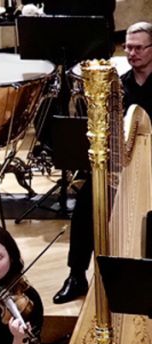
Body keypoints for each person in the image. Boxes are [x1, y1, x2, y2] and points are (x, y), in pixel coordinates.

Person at [52, 21, 152, 304]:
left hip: (149, 167)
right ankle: (76, 275)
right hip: (119, 166)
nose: (131, 53)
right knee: (86, 204)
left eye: (138, 48)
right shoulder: (118, 86)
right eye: (128, 47)